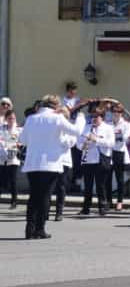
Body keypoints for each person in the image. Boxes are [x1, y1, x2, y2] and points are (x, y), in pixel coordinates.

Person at [20, 95, 88, 239]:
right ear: (56, 106)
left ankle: (29, 229)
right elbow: (76, 131)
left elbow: (23, 140)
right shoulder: (57, 118)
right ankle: (40, 229)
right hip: (50, 164)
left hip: (32, 163)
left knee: (34, 196)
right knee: (45, 196)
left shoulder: (31, 118)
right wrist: (81, 116)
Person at [78, 109, 115, 216]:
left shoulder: (108, 128)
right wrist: (83, 145)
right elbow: (78, 143)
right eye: (92, 116)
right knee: (88, 186)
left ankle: (102, 207)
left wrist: (96, 140)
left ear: (102, 118)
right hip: (88, 159)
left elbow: (111, 143)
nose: (94, 119)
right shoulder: (86, 127)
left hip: (101, 160)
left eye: (96, 117)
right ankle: (86, 208)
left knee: (101, 185)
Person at [107, 104, 130, 211]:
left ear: (121, 113)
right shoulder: (108, 124)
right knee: (107, 178)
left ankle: (120, 201)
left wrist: (115, 136)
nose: (115, 113)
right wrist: (116, 136)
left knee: (119, 179)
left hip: (119, 152)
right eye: (114, 111)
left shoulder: (126, 124)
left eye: (118, 112)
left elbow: (125, 138)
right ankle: (108, 201)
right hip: (109, 152)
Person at [0, 109, 21, 208]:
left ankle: (14, 200)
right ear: (6, 119)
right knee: (2, 180)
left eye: (13, 118)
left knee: (13, 180)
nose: (11, 120)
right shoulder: (2, 129)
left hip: (13, 158)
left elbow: (20, 143)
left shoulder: (18, 130)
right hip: (2, 157)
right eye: (9, 118)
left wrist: (17, 145)